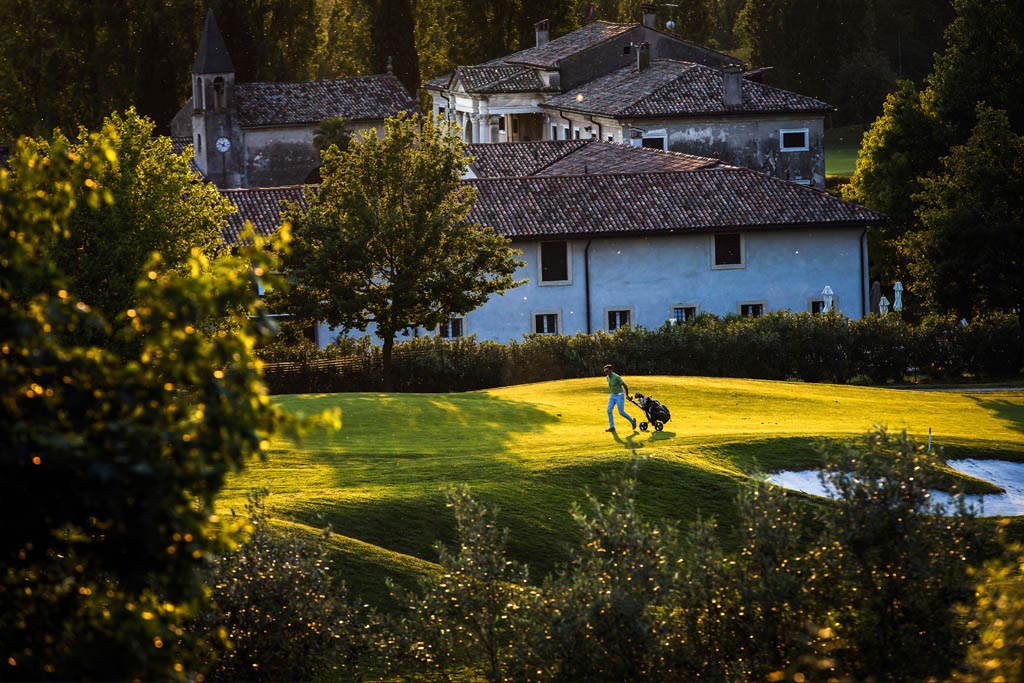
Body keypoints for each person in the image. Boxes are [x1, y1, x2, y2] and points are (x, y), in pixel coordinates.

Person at [603, 363, 636, 432]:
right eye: (605, 371)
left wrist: (627, 395)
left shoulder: (616, 377)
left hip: (619, 395)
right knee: (609, 410)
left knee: (621, 412)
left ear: (611, 370)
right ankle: (612, 427)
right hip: (612, 395)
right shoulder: (607, 377)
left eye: (607, 371)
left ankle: (632, 420)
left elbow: (625, 385)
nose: (606, 372)